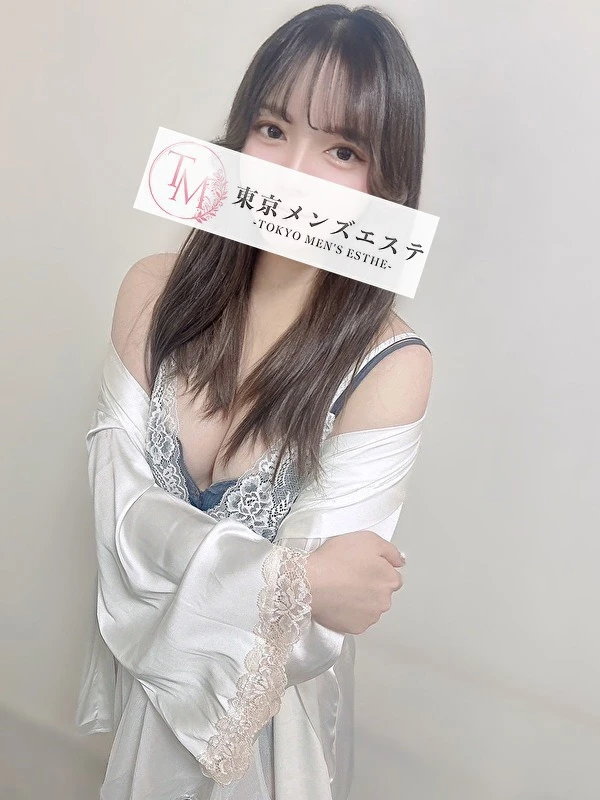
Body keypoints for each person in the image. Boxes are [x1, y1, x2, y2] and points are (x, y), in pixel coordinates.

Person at [75, 5, 433, 799]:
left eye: (342, 150)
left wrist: (283, 593)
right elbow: (111, 518)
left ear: (387, 184)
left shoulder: (390, 366)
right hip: (144, 702)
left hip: (265, 737)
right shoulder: (152, 292)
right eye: (273, 129)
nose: (293, 173)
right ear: (237, 137)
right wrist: (296, 579)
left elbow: (305, 638)